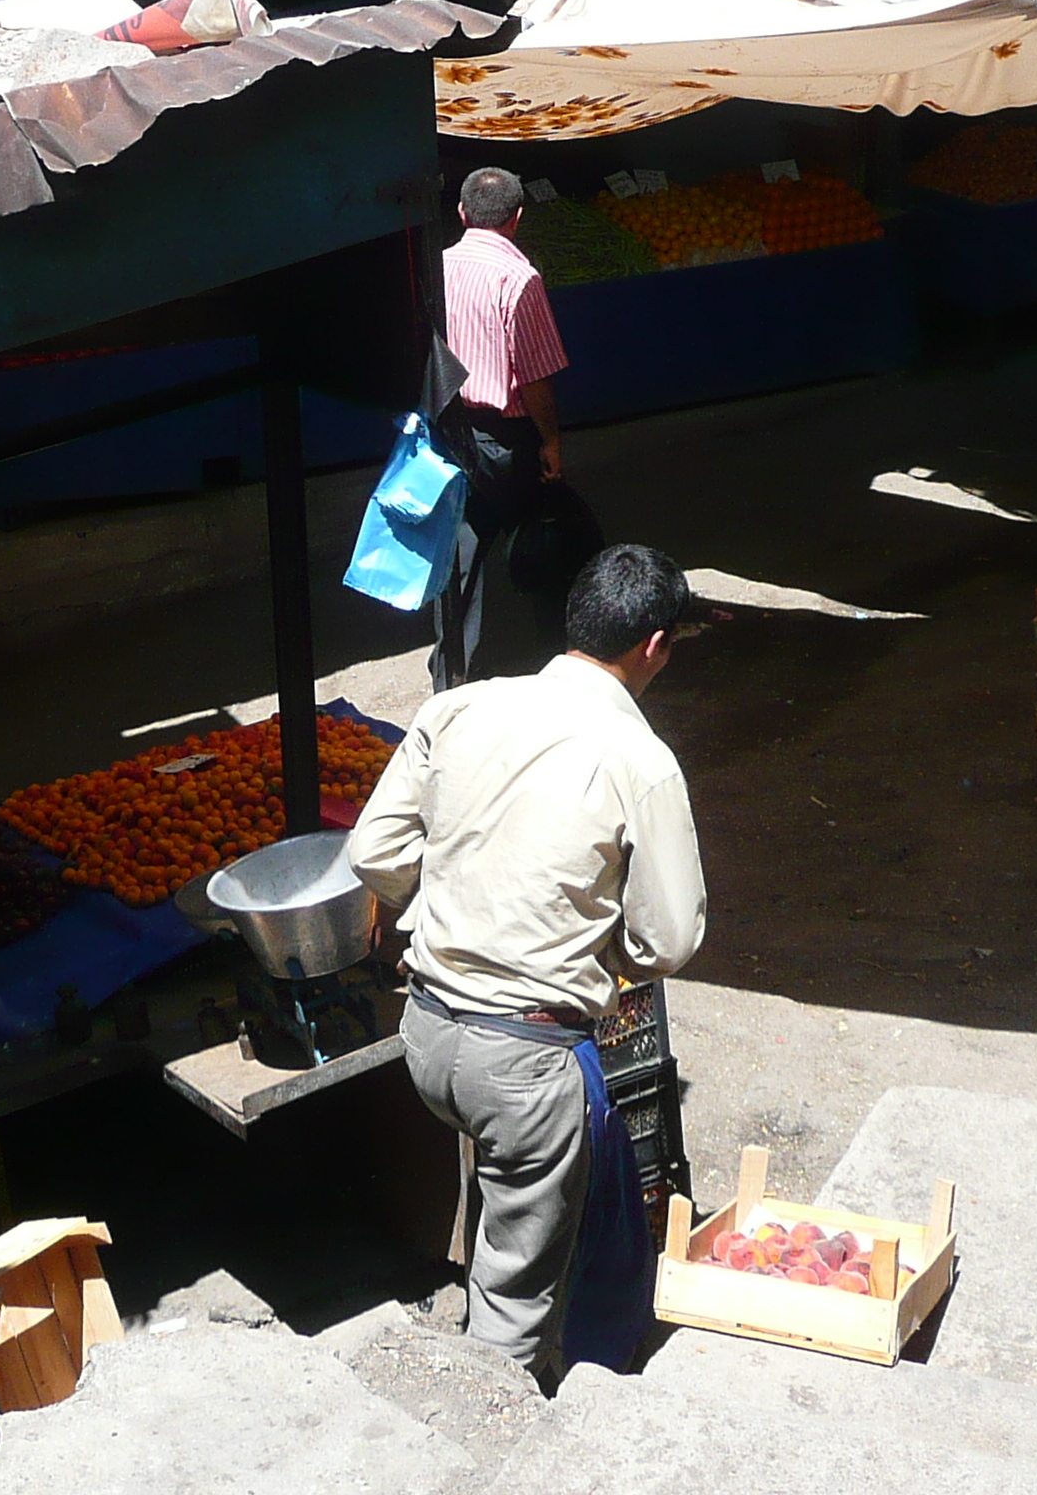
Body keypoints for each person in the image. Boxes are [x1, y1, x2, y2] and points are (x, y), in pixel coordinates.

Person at [346, 544, 708, 1390]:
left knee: (506, 1205)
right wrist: (597, 946)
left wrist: (450, 894)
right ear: (655, 645)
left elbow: (375, 850)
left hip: (428, 1037)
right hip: (526, 1065)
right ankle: (485, 1441)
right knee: (513, 1308)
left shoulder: (458, 709)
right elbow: (670, 942)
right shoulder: (640, 759)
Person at [434, 166, 571, 689]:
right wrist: (552, 442)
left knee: (461, 559)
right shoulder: (520, 278)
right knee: (548, 545)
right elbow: (535, 378)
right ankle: (553, 666)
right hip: (506, 437)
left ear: (463, 213)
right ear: (517, 219)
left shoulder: (438, 267)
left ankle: (451, 680)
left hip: (452, 431)